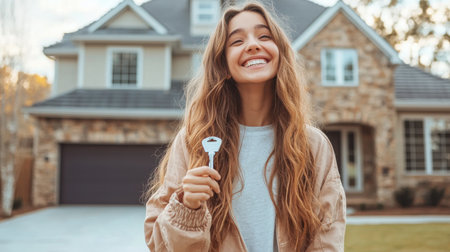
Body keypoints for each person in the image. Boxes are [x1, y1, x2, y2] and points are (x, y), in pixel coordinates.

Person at [144, 1, 346, 251]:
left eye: (264, 36)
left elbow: (327, 237)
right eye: (237, 41)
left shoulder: (313, 145)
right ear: (223, 66)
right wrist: (188, 206)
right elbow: (158, 244)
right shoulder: (193, 141)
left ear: (280, 53)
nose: (253, 44)